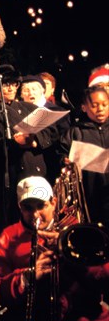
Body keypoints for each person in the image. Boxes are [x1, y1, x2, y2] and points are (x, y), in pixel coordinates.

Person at [0, 175, 109, 321]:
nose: (35, 215)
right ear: (19, 207)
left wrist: (71, 255)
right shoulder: (7, 238)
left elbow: (105, 278)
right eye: (28, 207)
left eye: (41, 206)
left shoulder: (77, 229)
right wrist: (27, 277)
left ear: (53, 203)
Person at [0, 65, 56, 239]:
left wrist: (34, 141)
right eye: (5, 84)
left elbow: (51, 132)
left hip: (35, 173)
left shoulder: (29, 108)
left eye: (14, 84)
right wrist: (11, 143)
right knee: (10, 231)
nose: (10, 88)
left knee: (41, 225)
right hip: (7, 180)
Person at [59, 85, 109, 227]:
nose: (100, 109)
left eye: (105, 105)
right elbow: (61, 153)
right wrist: (65, 161)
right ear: (84, 107)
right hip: (90, 192)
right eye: (94, 105)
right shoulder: (75, 132)